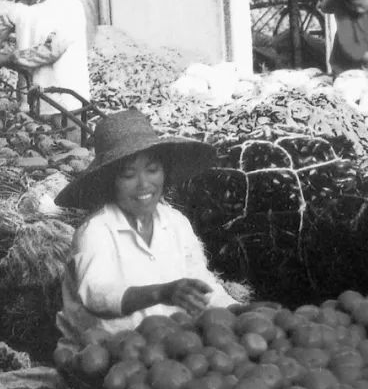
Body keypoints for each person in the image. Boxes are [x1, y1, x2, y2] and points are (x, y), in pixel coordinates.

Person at [53, 109, 237, 345]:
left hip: (170, 350)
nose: (143, 185)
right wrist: (163, 292)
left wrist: (241, 311)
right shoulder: (96, 231)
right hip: (106, 357)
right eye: (128, 174)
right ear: (110, 182)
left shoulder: (176, 224)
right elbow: (97, 295)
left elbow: (201, 284)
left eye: (152, 170)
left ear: (165, 172)